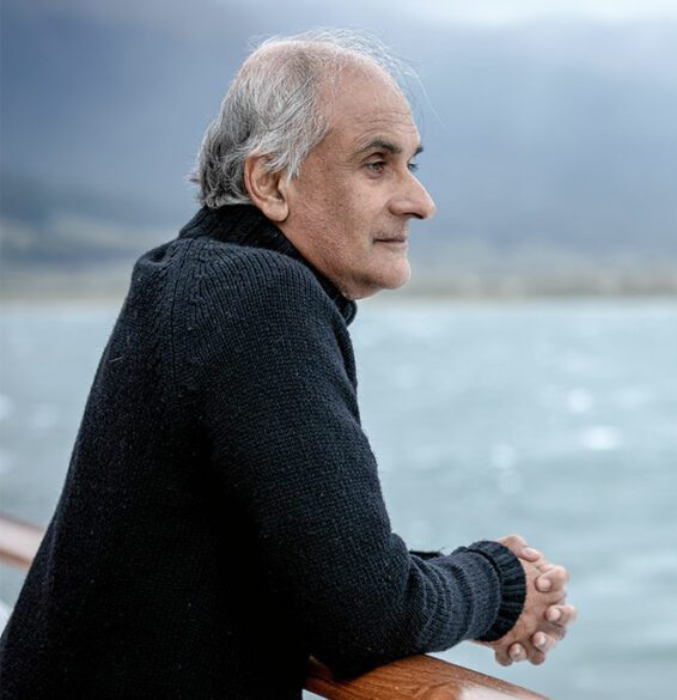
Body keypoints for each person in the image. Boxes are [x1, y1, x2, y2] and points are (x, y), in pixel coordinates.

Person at [0, 30, 574, 698]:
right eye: (376, 164)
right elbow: (363, 617)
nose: (420, 200)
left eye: (413, 163)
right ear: (270, 182)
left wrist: (465, 581)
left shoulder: (183, 275)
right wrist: (498, 583)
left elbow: (302, 564)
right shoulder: (263, 298)